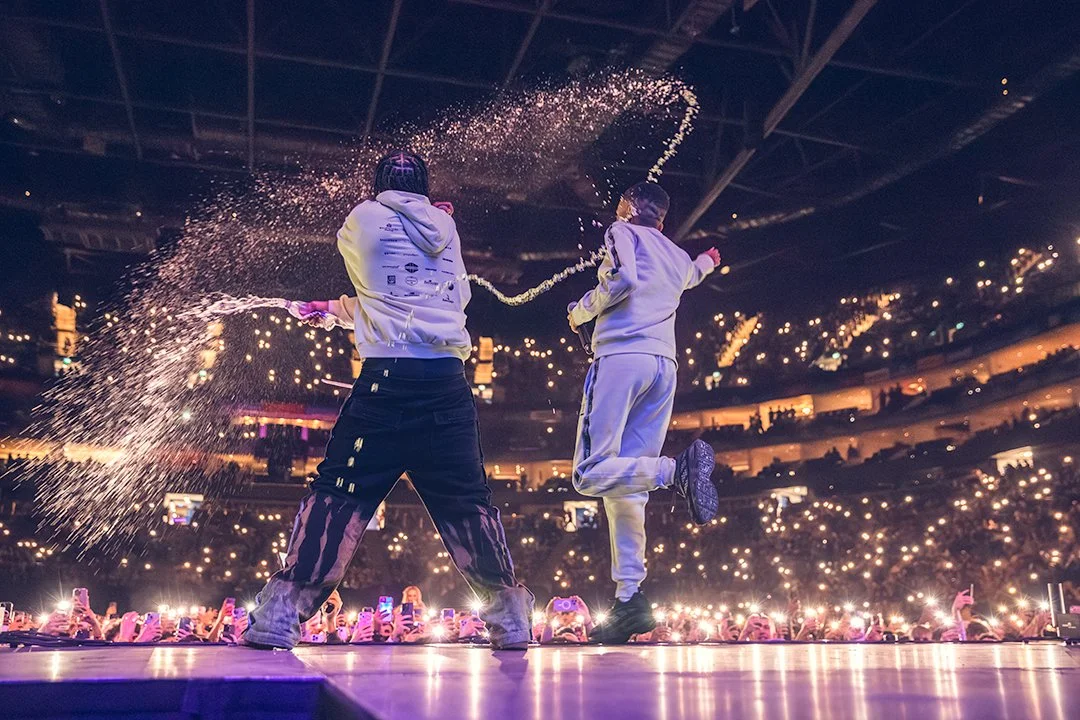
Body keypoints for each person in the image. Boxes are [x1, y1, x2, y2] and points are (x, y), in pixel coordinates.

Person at [241, 150, 533, 651]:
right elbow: (437, 299)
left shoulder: (361, 218)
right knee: (467, 502)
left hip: (387, 384)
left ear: (378, 186)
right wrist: (334, 311)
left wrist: (338, 309)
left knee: (339, 494)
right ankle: (511, 619)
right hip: (447, 384)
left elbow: (378, 287)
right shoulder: (447, 229)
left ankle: (280, 615)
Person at [567, 180, 723, 643]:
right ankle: (630, 599)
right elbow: (693, 274)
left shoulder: (620, 231)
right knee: (624, 490)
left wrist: (580, 311)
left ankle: (674, 471)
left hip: (620, 358)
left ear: (626, 208)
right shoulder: (677, 255)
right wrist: (709, 261)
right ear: (664, 219)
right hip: (664, 367)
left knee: (590, 473)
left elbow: (624, 279)